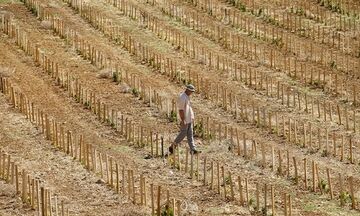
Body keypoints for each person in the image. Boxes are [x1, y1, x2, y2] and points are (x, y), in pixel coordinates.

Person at [169, 84, 201, 155]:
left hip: (189, 119)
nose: (192, 93)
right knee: (183, 134)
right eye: (191, 91)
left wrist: (191, 117)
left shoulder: (187, 97)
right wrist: (183, 120)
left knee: (190, 134)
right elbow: (181, 110)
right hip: (185, 120)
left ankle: (193, 149)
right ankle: (172, 146)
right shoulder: (182, 97)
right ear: (187, 90)